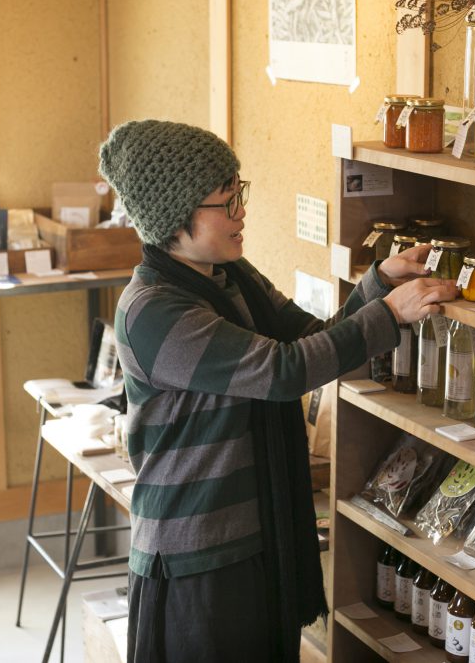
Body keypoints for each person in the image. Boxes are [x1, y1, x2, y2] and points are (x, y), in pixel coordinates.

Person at [98, 119, 456, 662]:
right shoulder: (153, 310)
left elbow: (312, 339)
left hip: (255, 530)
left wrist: (378, 282)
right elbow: (281, 371)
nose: (242, 212)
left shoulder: (231, 277)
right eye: (226, 201)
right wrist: (387, 313)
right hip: (196, 552)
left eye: (239, 192)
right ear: (175, 216)